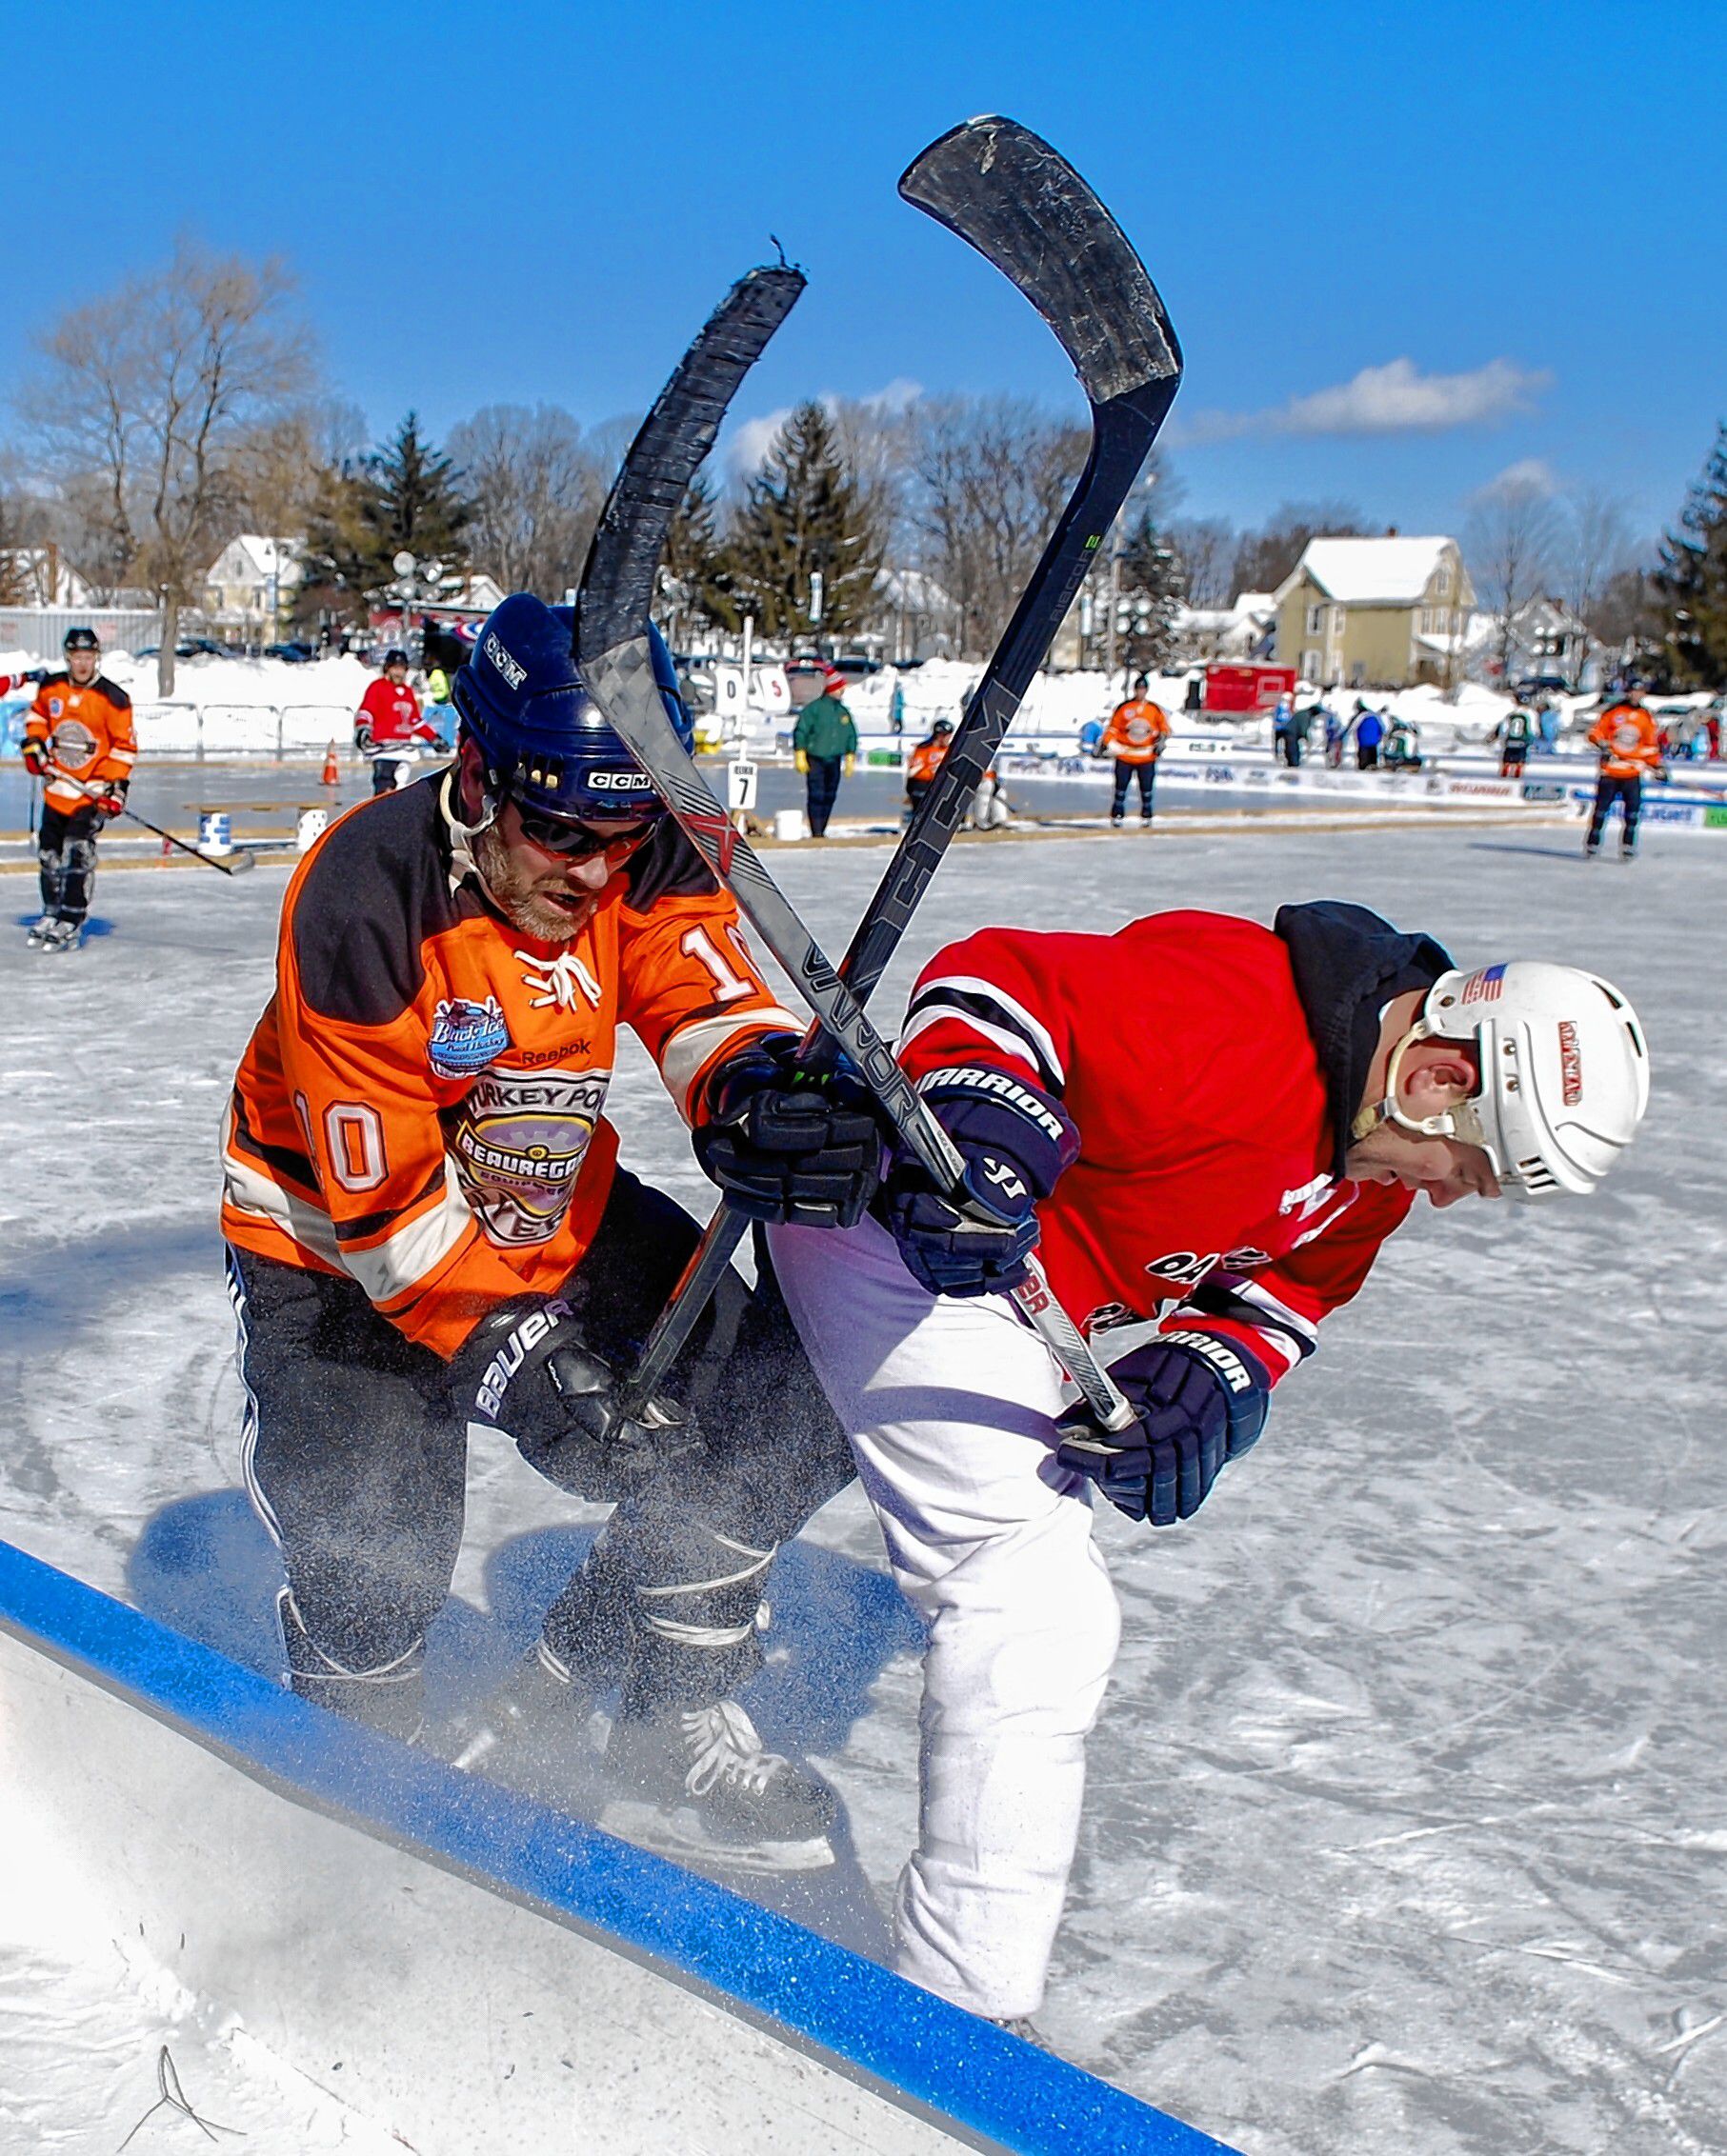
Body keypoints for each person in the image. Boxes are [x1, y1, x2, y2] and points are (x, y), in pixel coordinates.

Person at [767, 902, 1650, 2026]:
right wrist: (984, 1125)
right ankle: (959, 2007)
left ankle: (632, 1657)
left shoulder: (1370, 1144)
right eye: (1465, 1169)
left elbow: (1295, 1283)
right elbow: (999, 983)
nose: (1439, 1192)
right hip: (901, 1245)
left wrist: (1208, 1377)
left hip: (1028, 1301)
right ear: (1435, 1073)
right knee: (1029, 1602)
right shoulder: (1241, 1025)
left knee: (754, 1464)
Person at [221, 593, 878, 1870]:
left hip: (541, 1197)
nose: (592, 872)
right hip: (337, 1250)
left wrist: (751, 1091)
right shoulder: (366, 898)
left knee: (770, 1402)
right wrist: (519, 1366)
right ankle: (357, 1791)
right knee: (377, 1552)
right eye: (563, 833)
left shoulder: (637, 836)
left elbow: (695, 979)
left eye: (623, 839)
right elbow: (394, 1224)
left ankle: (667, 1717)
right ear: (476, 776)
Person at [21, 627, 136, 953]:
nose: (83, 664)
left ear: (96, 658)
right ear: (68, 658)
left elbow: (124, 747)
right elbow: (37, 717)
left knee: (77, 852)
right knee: (49, 854)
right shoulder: (52, 687)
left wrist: (114, 787)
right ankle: (51, 910)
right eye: (77, 657)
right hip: (58, 787)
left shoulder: (113, 698)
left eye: (88, 657)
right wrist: (33, 746)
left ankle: (72, 916)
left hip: (91, 791)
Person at [1584, 684, 1662, 861]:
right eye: (1633, 691)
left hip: (1632, 773)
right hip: (1611, 772)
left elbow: (1650, 746)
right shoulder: (1613, 712)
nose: (1636, 695)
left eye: (1640, 691)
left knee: (1632, 814)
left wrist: (1657, 765)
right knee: (1601, 812)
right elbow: (1595, 732)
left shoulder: (1645, 717)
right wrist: (1602, 745)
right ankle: (1593, 844)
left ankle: (1628, 846)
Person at [355, 648, 440, 795]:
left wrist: (434, 738)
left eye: (402, 669)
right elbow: (366, 711)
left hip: (404, 751)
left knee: (400, 790)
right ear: (387, 668)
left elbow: (415, 722)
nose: (398, 673)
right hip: (384, 751)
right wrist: (363, 729)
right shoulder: (378, 687)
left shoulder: (407, 692)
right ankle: (381, 815)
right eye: (395, 668)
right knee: (385, 790)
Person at [791, 666, 856, 838]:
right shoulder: (814, 709)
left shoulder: (843, 712)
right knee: (817, 794)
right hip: (816, 758)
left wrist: (850, 754)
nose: (843, 691)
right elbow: (801, 731)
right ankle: (816, 830)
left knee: (830, 795)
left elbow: (850, 733)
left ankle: (823, 827)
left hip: (834, 759)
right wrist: (800, 752)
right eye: (840, 687)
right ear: (833, 689)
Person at [1100, 674, 1170, 827]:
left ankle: (1146, 816)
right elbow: (1114, 728)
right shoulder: (1124, 708)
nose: (1140, 692)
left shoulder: (1154, 709)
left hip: (1145, 755)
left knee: (1146, 788)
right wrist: (1106, 742)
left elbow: (1163, 727)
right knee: (1120, 787)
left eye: (1143, 689)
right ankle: (1117, 815)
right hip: (1126, 753)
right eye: (1138, 689)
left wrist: (1162, 739)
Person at [905, 717, 953, 823]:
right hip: (923, 784)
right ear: (939, 735)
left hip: (940, 784)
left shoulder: (950, 750)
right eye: (946, 736)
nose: (948, 739)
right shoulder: (924, 748)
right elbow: (913, 772)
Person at [1496, 701, 1534, 778]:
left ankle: (1505, 769)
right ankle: (1518, 770)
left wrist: (1503, 739)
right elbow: (1531, 730)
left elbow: (1504, 728)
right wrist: (1530, 740)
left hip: (1510, 741)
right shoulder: (1529, 715)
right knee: (1520, 758)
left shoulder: (1510, 715)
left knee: (1508, 757)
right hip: (1522, 741)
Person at [1354, 702, 1385, 769]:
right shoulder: (1375, 718)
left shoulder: (1361, 717)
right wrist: (1379, 738)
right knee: (1372, 759)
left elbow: (1354, 728)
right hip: (1374, 742)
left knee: (1364, 760)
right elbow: (1382, 729)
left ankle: (1363, 767)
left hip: (1363, 742)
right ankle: (1373, 766)